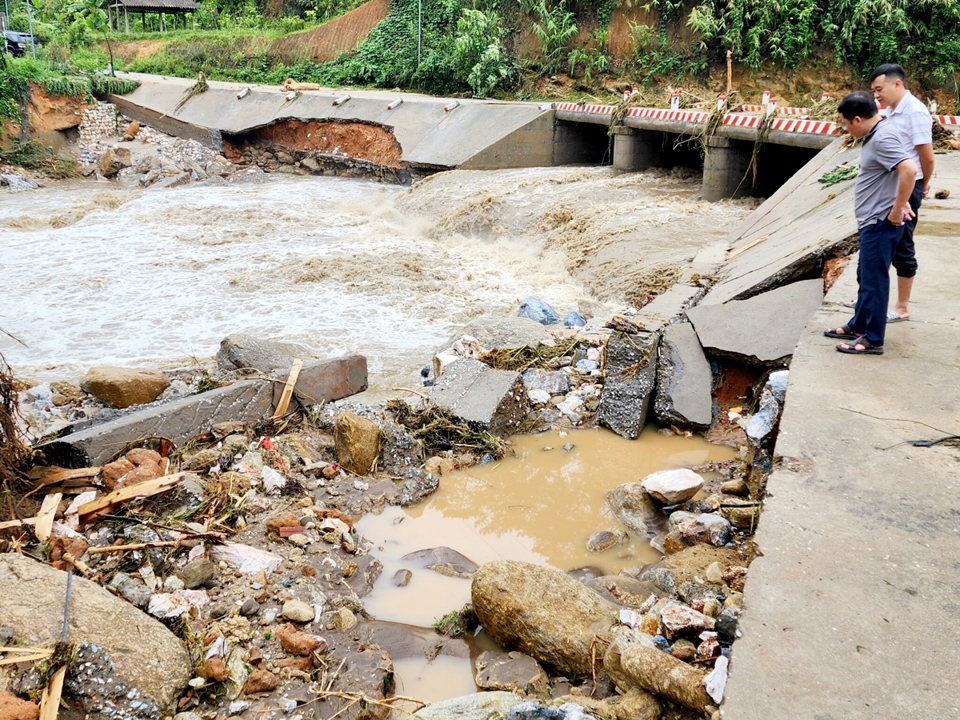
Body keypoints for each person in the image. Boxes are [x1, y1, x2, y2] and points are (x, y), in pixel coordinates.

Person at [824, 91, 917, 355]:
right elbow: (895, 173)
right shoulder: (878, 133)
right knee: (865, 276)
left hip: (880, 221)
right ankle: (859, 324)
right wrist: (902, 198)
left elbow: (909, 169)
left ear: (856, 119)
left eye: (844, 123)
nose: (844, 129)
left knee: (874, 280)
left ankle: (873, 339)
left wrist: (898, 208)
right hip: (873, 219)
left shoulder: (883, 137)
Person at [868, 63, 934, 321]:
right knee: (882, 240)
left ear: (897, 84)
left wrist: (923, 184)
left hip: (908, 185)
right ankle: (873, 296)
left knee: (902, 243)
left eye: (879, 89)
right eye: (873, 91)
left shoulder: (915, 112)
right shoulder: (893, 110)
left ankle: (902, 307)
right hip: (892, 184)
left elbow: (927, 158)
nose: (876, 95)